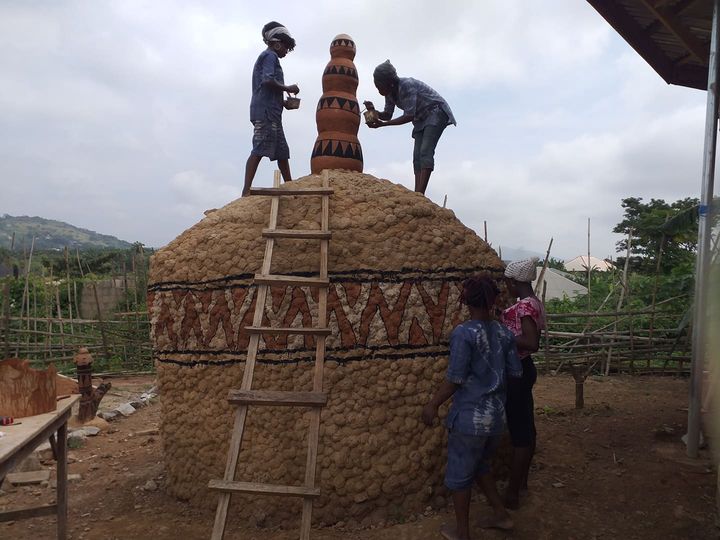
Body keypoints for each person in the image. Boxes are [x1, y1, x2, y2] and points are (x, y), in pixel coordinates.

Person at [422, 276, 521, 540]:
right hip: (497, 418)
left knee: (460, 477)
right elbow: (515, 371)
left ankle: (462, 533)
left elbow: (455, 378)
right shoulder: (504, 333)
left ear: (466, 300)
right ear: (492, 300)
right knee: (481, 467)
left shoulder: (464, 333)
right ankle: (501, 515)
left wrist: (432, 405)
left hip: (470, 419)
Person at [366, 60, 455, 195]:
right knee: (417, 156)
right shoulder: (390, 94)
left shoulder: (407, 85)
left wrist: (383, 125)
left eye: (379, 86)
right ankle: (417, 194)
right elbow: (388, 115)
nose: (378, 89)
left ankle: (420, 194)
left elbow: (408, 116)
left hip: (435, 112)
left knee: (425, 150)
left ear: (389, 82)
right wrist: (374, 112)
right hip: (420, 119)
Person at [500, 257, 547, 510]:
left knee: (521, 433)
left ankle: (512, 493)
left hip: (518, 370)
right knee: (526, 426)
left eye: (507, 282)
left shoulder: (524, 307)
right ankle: (522, 483)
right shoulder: (533, 302)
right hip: (523, 369)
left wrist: (501, 333)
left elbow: (531, 343)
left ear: (514, 282)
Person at [243, 21, 300, 197]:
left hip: (272, 112)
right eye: (285, 47)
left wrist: (283, 102)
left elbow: (267, 87)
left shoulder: (269, 57)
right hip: (265, 112)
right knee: (259, 147)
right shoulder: (270, 56)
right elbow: (267, 80)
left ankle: (290, 185)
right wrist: (288, 88)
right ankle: (246, 191)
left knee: (282, 150)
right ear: (276, 43)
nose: (286, 52)